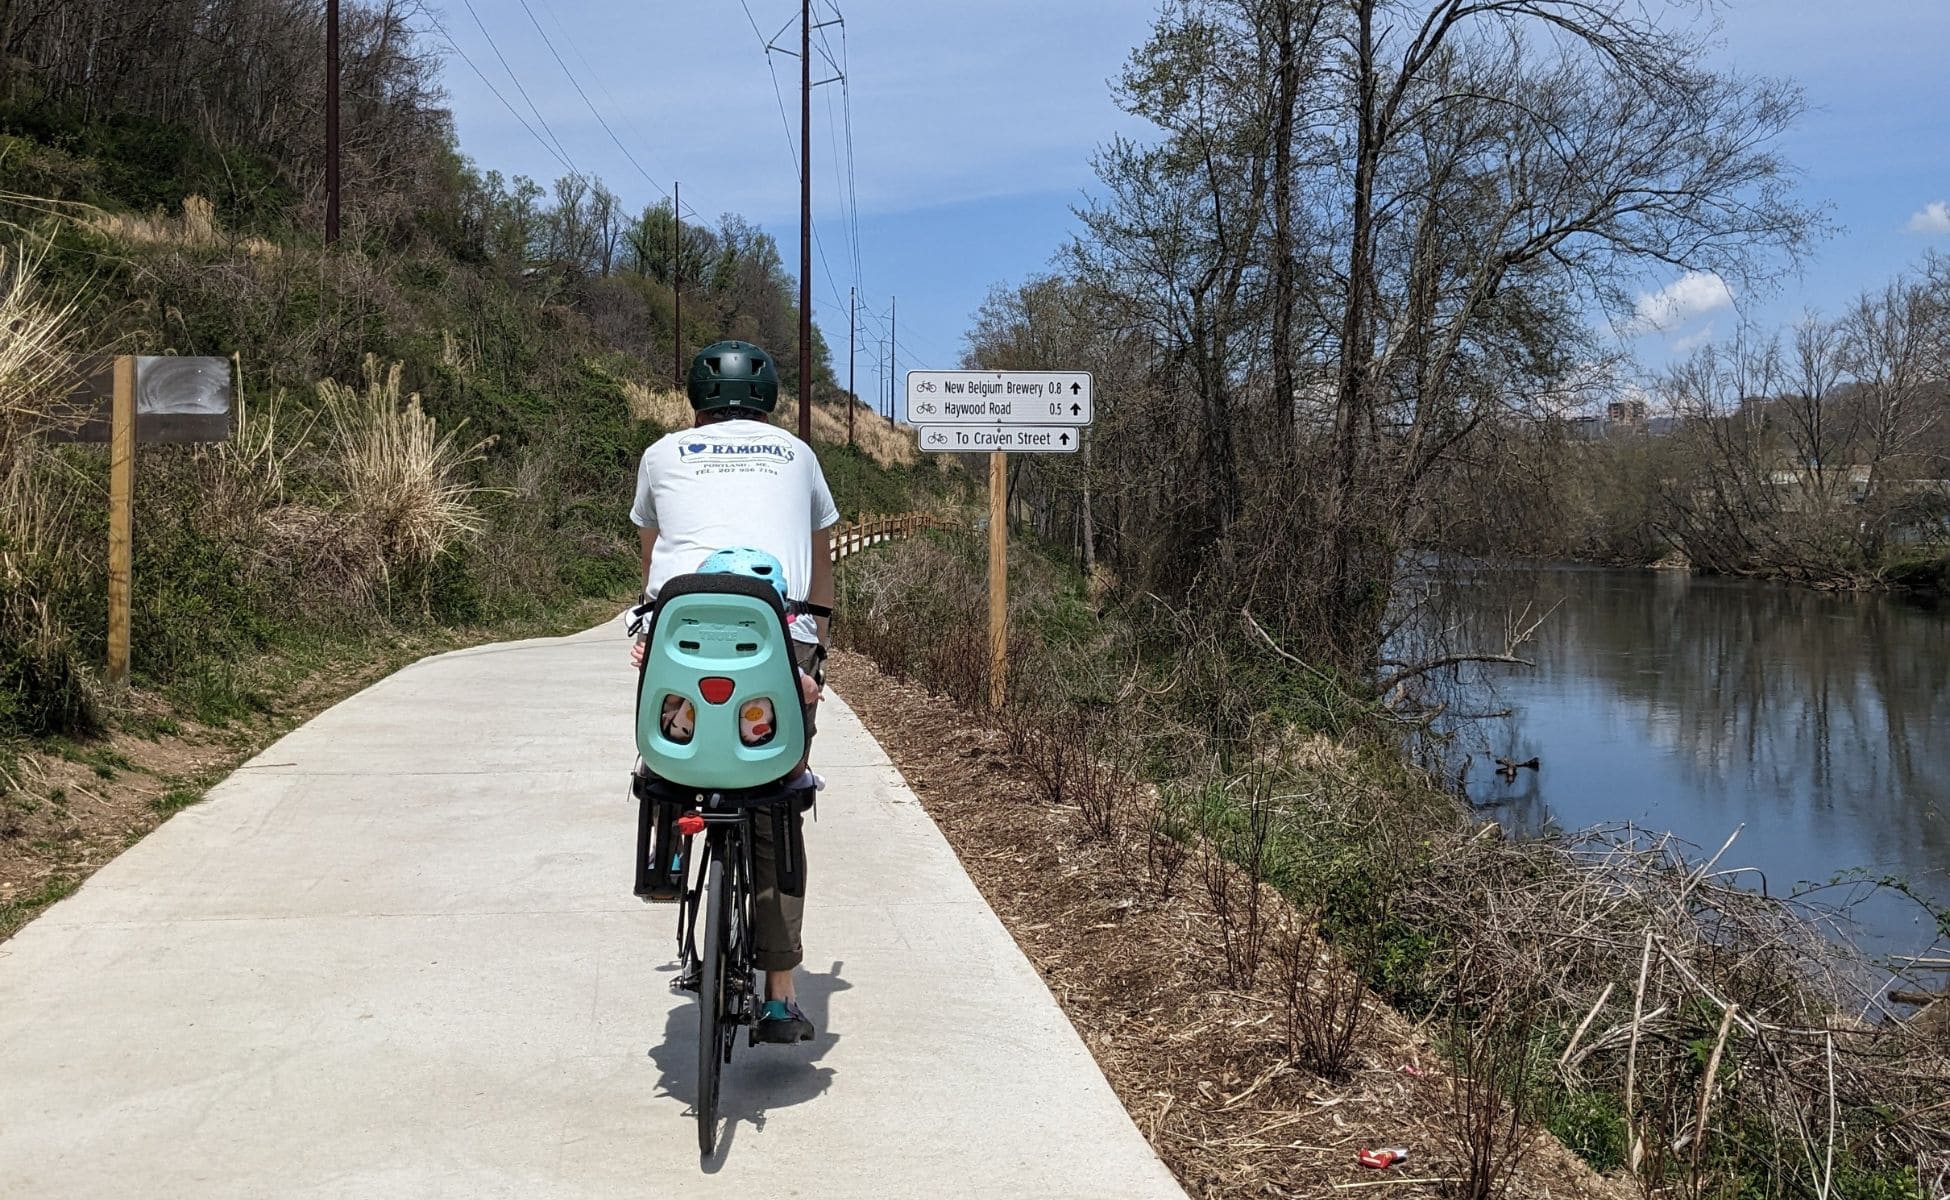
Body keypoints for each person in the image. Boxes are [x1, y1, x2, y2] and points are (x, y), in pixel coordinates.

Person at [629, 340, 838, 1045]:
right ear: (771, 399)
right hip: (776, 633)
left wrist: (648, 622)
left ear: (696, 400)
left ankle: (670, 853)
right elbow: (819, 564)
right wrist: (818, 644)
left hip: (679, 630)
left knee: (668, 753)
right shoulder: (798, 455)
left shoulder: (662, 454)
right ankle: (780, 997)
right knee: (779, 789)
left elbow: (654, 559)